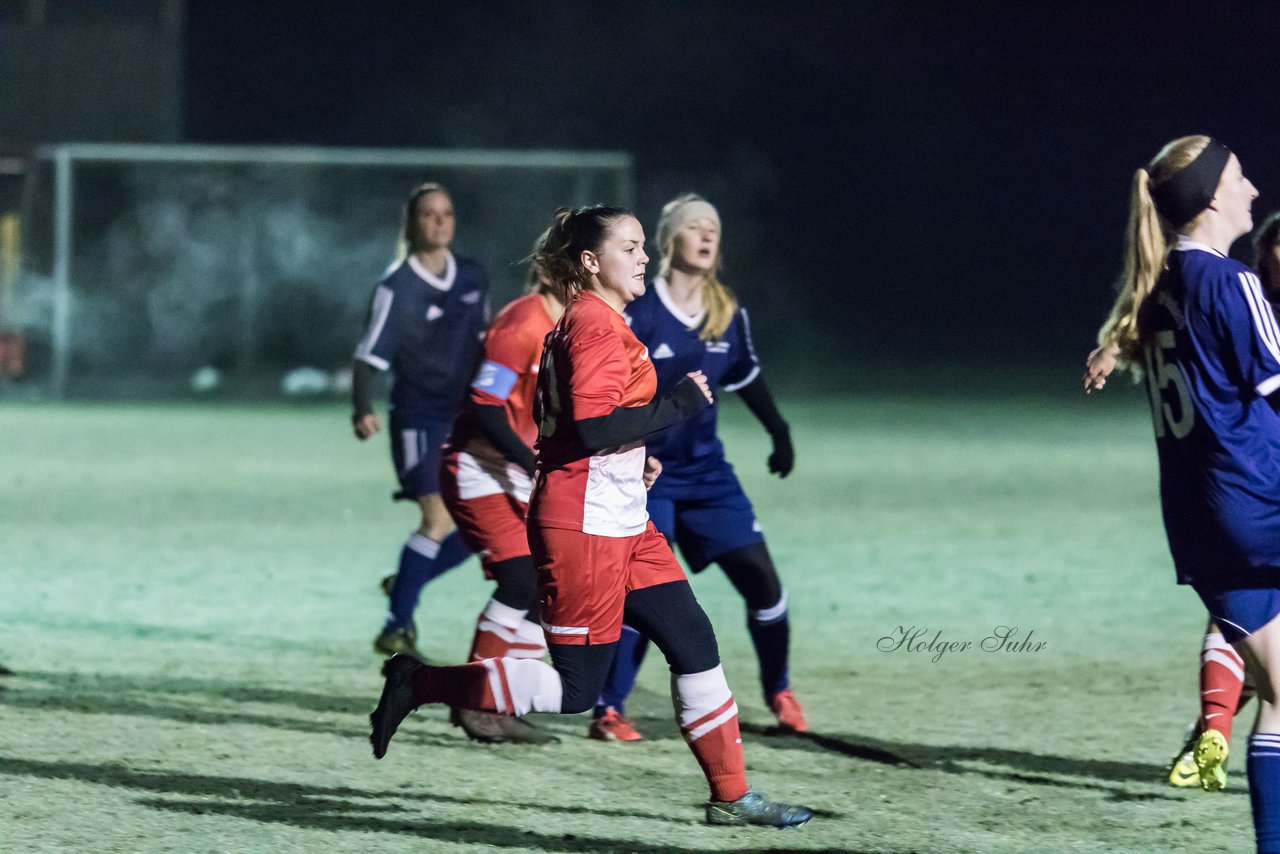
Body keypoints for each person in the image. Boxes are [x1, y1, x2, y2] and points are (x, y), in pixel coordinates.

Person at [369, 205, 814, 827]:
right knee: (577, 692)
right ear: (590, 261)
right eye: (630, 248)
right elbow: (594, 424)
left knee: (694, 642)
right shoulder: (596, 326)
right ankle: (420, 683)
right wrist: (678, 404)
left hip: (623, 518)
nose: (644, 258)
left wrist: (636, 462)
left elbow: (585, 428)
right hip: (585, 528)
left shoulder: (597, 320)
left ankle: (733, 798)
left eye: (641, 247)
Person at [1086, 135, 1280, 852]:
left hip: (1202, 519)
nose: (1254, 188)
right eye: (1239, 176)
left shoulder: (1161, 282)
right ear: (1209, 198)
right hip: (1261, 506)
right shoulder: (1231, 283)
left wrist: (1111, 346)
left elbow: (1140, 335)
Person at [588, 194, 806, 741]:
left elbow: (746, 376)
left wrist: (778, 431)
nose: (707, 236)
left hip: (709, 477)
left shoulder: (727, 311)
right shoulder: (636, 309)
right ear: (668, 241)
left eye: (714, 228)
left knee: (763, 580)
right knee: (648, 593)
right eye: (694, 227)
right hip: (648, 474)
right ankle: (609, 708)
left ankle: (780, 690)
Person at [352, 183, 487, 660]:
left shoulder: (472, 276)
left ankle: (408, 582)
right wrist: (362, 408)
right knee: (437, 517)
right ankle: (396, 627)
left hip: (467, 415)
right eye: (428, 215)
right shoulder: (397, 287)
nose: (439, 223)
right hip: (418, 417)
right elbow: (368, 356)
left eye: (446, 214)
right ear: (410, 223)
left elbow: (487, 344)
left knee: (481, 528)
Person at [434, 255, 564, 744]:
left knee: (548, 583)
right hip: (479, 465)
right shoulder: (522, 321)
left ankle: (504, 700)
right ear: (550, 273)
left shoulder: (577, 328)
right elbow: (486, 409)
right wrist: (534, 463)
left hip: (522, 470)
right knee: (521, 576)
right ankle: (473, 699)